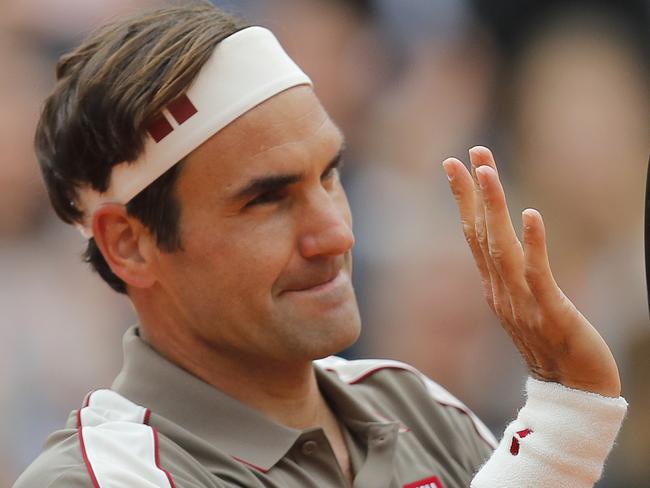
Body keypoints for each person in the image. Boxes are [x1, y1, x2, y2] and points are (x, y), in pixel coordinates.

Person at [14, 2, 627, 487]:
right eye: (266, 199)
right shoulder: (97, 478)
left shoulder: (416, 405)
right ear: (130, 245)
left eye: (330, 174)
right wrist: (561, 434)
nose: (336, 232)